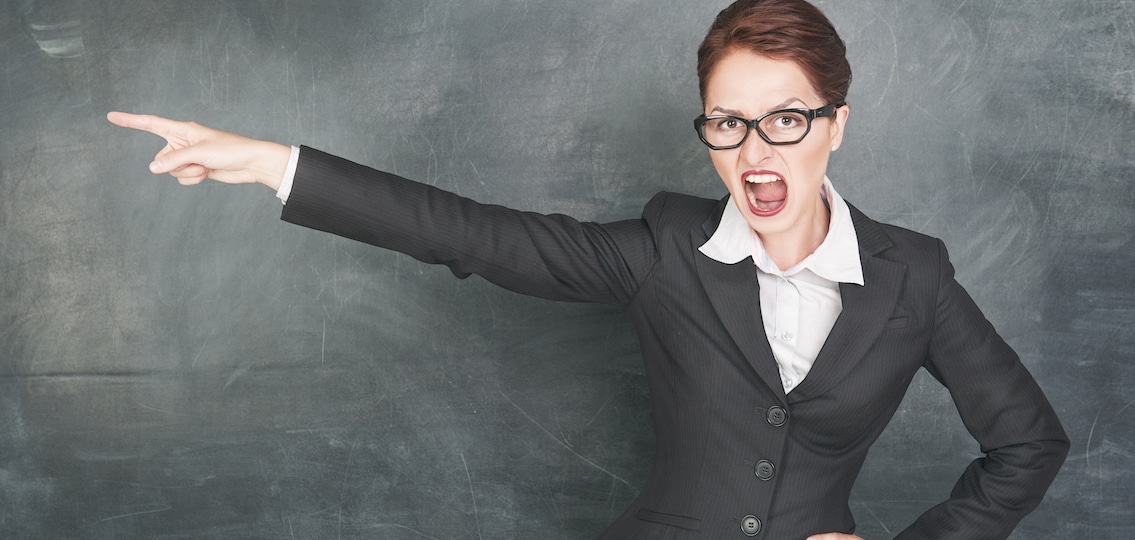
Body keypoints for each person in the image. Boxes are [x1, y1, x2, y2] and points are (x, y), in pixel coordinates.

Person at [107, 0, 1069, 538]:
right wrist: (275, 162)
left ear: (836, 124)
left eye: (786, 119)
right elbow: (471, 233)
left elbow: (1027, 444)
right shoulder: (661, 249)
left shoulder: (915, 274)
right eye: (727, 124)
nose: (754, 152)